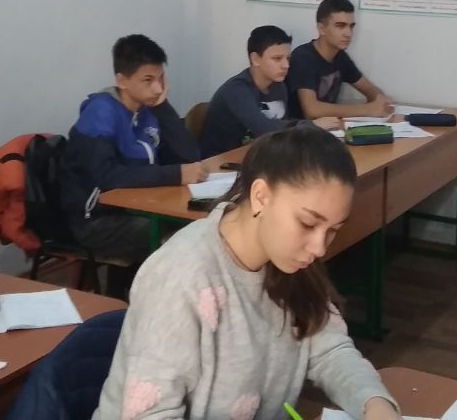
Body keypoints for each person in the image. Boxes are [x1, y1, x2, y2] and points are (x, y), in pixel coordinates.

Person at [94, 127, 401, 420]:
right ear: (261, 196)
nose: (319, 247)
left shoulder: (287, 259)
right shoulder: (183, 277)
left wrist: (374, 403)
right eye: (308, 224)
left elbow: (327, 347)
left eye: (333, 229)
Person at [61, 35, 204, 294]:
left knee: (193, 224)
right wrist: (175, 174)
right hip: (96, 220)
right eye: (148, 80)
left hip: (138, 207)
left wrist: (163, 108)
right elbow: (106, 176)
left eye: (161, 78)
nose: (158, 88)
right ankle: (145, 302)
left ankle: (135, 294)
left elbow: (189, 155)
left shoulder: (147, 109)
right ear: (122, 80)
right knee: (174, 234)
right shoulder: (101, 113)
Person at [198, 25, 339, 158]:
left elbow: (281, 133)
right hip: (221, 164)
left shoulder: (279, 86)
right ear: (255, 59)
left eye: (287, 58)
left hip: (260, 156)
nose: (286, 65)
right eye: (277, 59)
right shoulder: (237, 90)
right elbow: (265, 129)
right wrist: (311, 125)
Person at [288, 0, 392, 119]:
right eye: (340, 26)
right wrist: (367, 109)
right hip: (300, 129)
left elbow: (370, 90)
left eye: (351, 26)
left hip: (330, 127)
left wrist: (381, 102)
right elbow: (312, 110)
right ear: (321, 28)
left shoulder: (340, 56)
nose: (348, 33)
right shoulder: (303, 57)